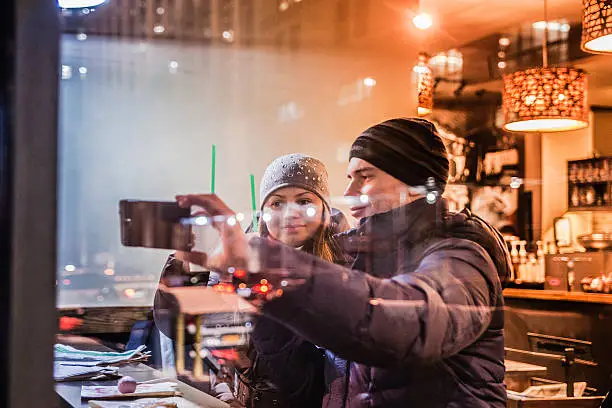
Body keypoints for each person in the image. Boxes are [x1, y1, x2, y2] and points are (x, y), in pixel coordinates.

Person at [176, 118, 511, 408]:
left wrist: (262, 263)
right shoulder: (364, 256)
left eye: (365, 177)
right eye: (349, 177)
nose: (349, 192)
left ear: (415, 186)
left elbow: (398, 324)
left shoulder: (462, 258)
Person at [158, 154, 350, 408]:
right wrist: (180, 256)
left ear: (324, 208)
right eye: (277, 203)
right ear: (263, 210)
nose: (290, 213)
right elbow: (193, 334)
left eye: (304, 201)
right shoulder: (240, 264)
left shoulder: (344, 267)